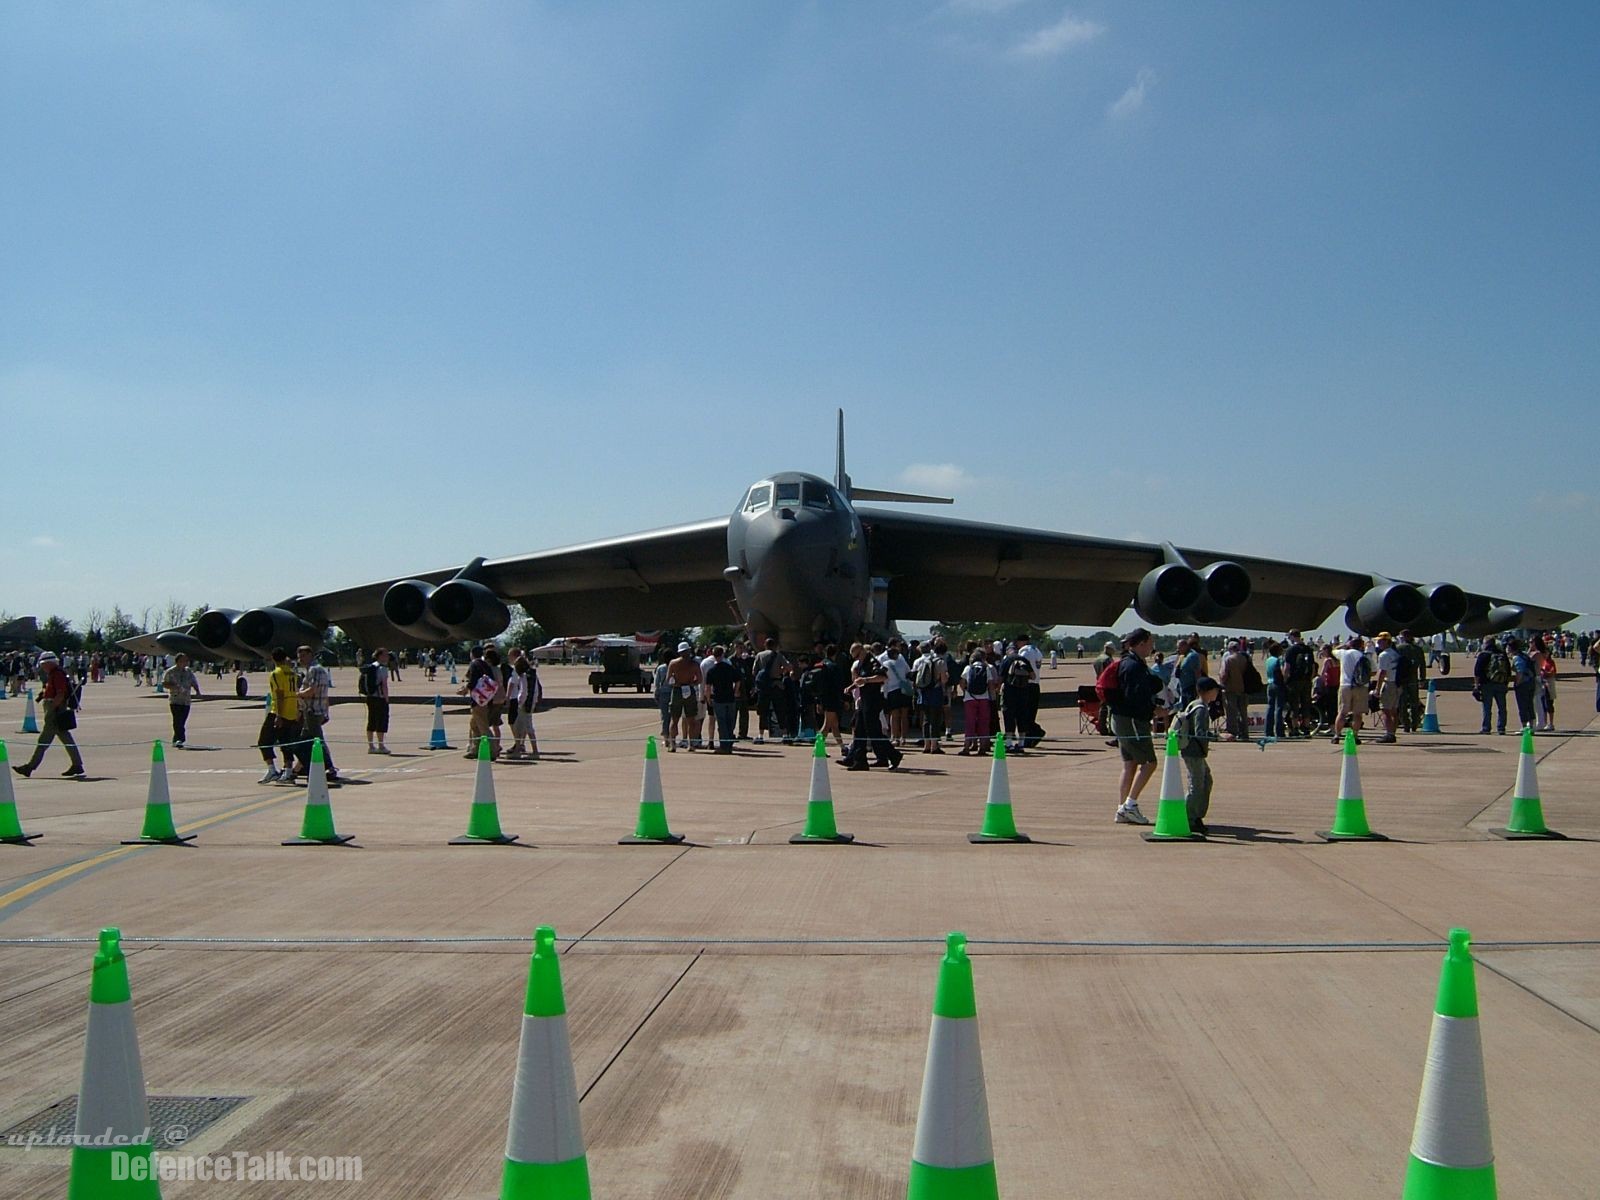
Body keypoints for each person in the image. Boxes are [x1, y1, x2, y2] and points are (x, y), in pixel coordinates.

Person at [1109, 628, 1166, 825]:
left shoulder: (1131, 663)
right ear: (1141, 643)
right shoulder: (1133, 666)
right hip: (1131, 719)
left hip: (1122, 719)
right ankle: (1129, 805)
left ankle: (1122, 807)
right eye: (1150, 642)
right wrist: (1154, 709)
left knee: (1130, 763)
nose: (1152, 646)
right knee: (1149, 763)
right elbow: (1135, 696)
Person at [12, 651, 85, 778]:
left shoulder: (57, 675)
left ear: (50, 663)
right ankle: (77, 765)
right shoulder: (54, 674)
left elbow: (60, 694)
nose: (42, 667)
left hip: (55, 709)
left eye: (44, 664)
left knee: (43, 740)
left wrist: (53, 709)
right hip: (55, 708)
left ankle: (30, 767)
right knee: (66, 738)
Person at [842, 643, 901, 770]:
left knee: (874, 731)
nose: (857, 659)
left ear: (862, 651)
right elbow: (860, 680)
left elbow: (883, 677)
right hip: (864, 699)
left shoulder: (872, 661)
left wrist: (866, 680)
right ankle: (858, 760)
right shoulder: (862, 663)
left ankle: (894, 755)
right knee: (859, 729)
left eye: (857, 656)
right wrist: (851, 687)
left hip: (873, 700)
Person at [1174, 677, 1221, 835]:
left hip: (1193, 751)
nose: (1217, 693)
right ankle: (1189, 818)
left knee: (1206, 780)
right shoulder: (1201, 709)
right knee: (1197, 784)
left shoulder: (1194, 704)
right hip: (1194, 752)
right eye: (1215, 690)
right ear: (1208, 691)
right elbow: (1200, 732)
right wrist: (1218, 737)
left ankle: (1196, 815)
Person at [294, 644, 340, 783]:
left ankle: (329, 768)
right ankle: (299, 767)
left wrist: (297, 694)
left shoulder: (314, 670)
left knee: (316, 740)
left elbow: (312, 690)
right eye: (299, 656)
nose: (300, 659)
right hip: (314, 710)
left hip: (313, 711)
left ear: (310, 655)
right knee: (304, 741)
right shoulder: (316, 670)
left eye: (303, 656)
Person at [266, 647, 304, 783]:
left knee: (264, 741)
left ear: (273, 659)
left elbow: (280, 694)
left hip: (278, 711)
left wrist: (278, 715)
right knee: (285, 742)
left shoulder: (276, 673)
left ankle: (272, 770)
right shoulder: (292, 673)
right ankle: (288, 771)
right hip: (291, 712)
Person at [1332, 636, 1372, 742]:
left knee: (1342, 712)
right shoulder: (1365, 656)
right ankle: (1355, 735)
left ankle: (1337, 735)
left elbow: (1334, 650)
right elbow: (1373, 671)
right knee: (1357, 714)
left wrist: (1344, 645)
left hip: (1345, 685)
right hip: (1361, 686)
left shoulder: (1344, 654)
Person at [703, 645, 741, 754]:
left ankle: (724, 746)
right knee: (730, 722)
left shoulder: (712, 670)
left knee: (722, 722)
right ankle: (729, 743)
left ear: (713, 655)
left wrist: (708, 698)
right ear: (723, 654)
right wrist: (735, 691)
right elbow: (738, 680)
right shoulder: (729, 667)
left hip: (719, 699)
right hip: (730, 698)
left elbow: (708, 687)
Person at [666, 641, 703, 751]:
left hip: (677, 689)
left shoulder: (673, 663)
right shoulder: (694, 664)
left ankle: (673, 744)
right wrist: (692, 682)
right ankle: (690, 745)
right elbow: (700, 679)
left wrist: (676, 682)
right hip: (688, 689)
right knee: (690, 719)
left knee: (675, 719)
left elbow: (669, 679)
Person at [912, 641, 947, 753]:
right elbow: (943, 680)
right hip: (935, 691)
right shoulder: (940, 662)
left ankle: (926, 745)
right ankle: (934, 746)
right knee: (935, 719)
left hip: (924, 692)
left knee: (926, 719)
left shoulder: (921, 661)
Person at [161, 653, 202, 748]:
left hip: (186, 700)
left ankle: (176, 739)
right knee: (177, 720)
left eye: (186, 661)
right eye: (184, 660)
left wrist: (197, 691)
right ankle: (180, 739)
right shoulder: (171, 671)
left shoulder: (188, 671)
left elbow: (193, 681)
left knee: (182, 720)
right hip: (175, 700)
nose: (186, 662)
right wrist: (173, 686)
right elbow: (164, 683)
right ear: (178, 661)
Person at [958, 648, 994, 756]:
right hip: (984, 698)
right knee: (983, 722)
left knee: (970, 723)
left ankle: (966, 747)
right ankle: (982, 748)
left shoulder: (968, 668)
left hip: (970, 698)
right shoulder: (986, 668)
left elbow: (962, 682)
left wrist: (966, 691)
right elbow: (991, 684)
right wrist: (991, 696)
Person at [1474, 637, 1511, 734]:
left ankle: (1486, 728)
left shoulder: (1483, 655)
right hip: (1501, 683)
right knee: (1502, 708)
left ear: (1486, 643)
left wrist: (1476, 686)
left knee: (1487, 708)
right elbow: (1508, 670)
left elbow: (1477, 672)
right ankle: (1501, 728)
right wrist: (1505, 682)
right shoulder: (1502, 654)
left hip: (1487, 684)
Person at [363, 648, 392, 753]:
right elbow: (384, 684)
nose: (387, 657)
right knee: (381, 721)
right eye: (385, 655)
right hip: (379, 698)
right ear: (380, 656)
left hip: (370, 697)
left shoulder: (371, 667)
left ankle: (371, 746)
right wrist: (386, 698)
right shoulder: (382, 668)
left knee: (371, 720)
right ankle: (381, 746)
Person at [1506, 638, 1537, 731]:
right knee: (1529, 704)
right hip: (1531, 682)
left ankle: (1524, 726)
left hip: (1523, 684)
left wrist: (1517, 683)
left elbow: (1520, 672)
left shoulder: (1517, 658)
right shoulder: (1524, 655)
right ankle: (1531, 725)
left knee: (1522, 706)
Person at [1262, 641, 1286, 740]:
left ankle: (1268, 731)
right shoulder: (1279, 660)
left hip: (1269, 683)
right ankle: (1279, 731)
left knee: (1270, 707)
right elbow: (1283, 671)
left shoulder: (1268, 660)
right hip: (1278, 683)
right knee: (1279, 708)